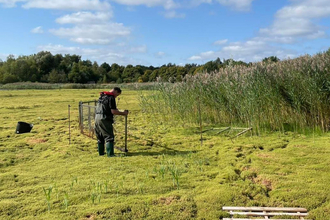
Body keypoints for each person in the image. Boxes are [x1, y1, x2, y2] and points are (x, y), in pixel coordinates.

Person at [94, 87, 129, 157]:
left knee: (100, 136)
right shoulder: (111, 98)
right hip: (105, 118)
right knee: (109, 136)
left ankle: (101, 153)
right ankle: (110, 154)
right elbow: (113, 111)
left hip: (97, 117)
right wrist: (123, 113)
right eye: (117, 95)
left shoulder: (102, 96)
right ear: (115, 91)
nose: (116, 97)